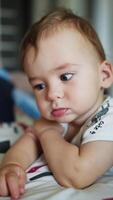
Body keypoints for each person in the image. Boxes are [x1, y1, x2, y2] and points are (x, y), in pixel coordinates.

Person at [0, 7, 113, 199]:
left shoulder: (108, 119)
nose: (52, 94)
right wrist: (13, 165)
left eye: (65, 76)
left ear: (104, 75)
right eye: (40, 86)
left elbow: (77, 175)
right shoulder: (57, 117)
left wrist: (46, 133)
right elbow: (25, 145)